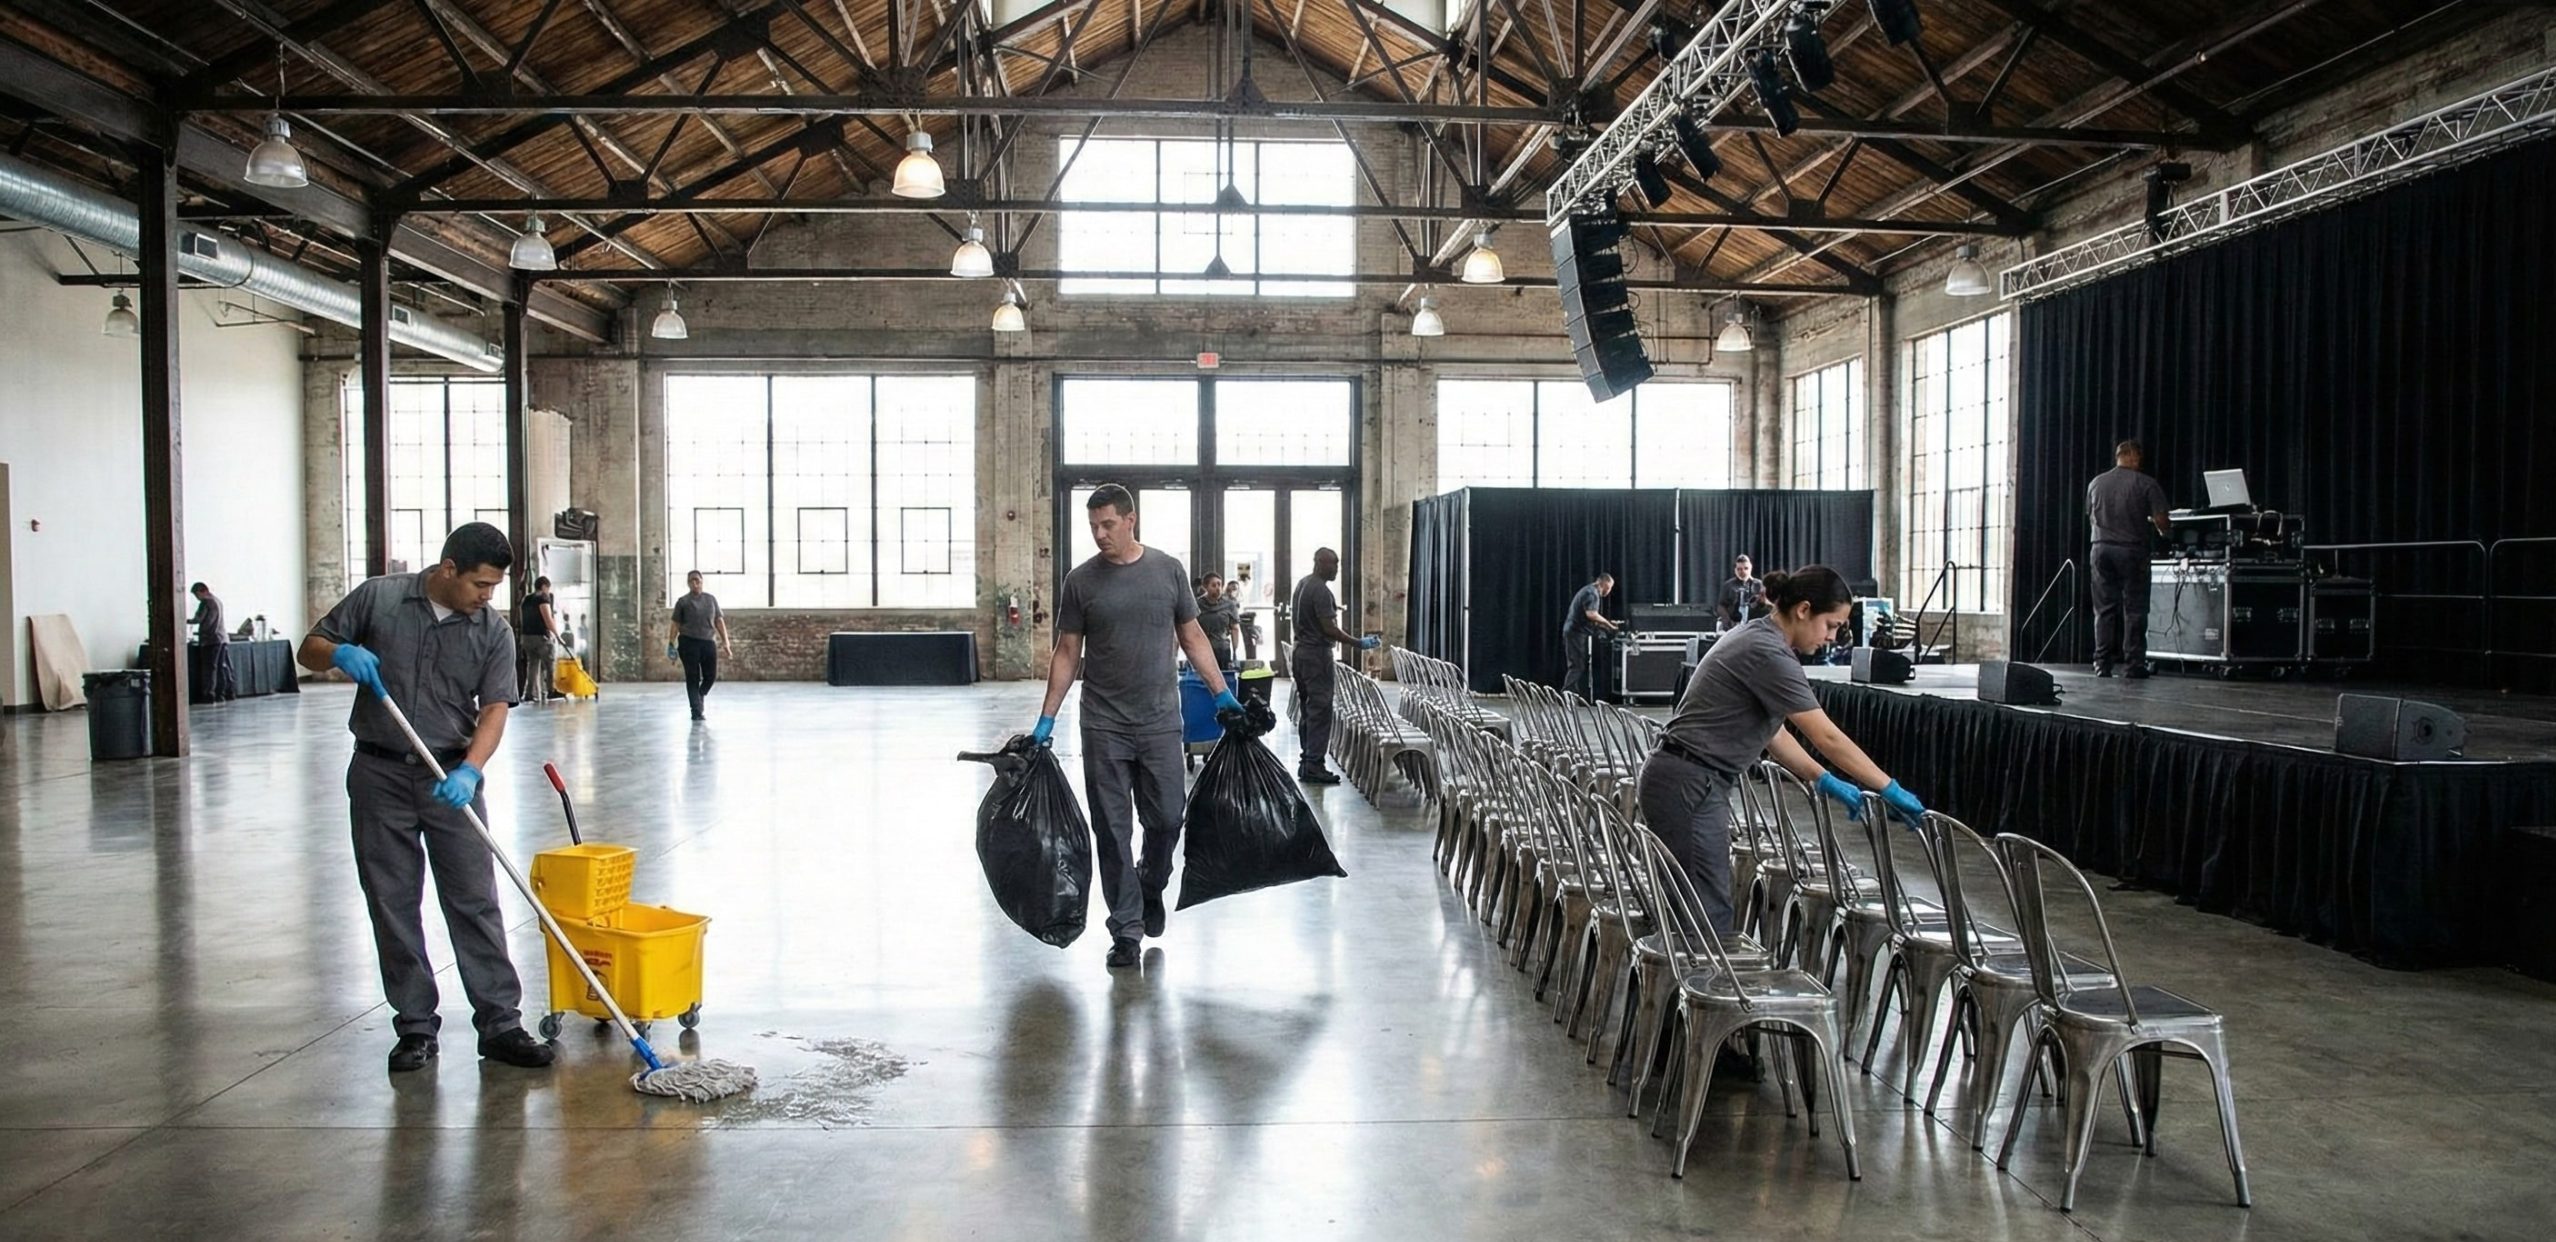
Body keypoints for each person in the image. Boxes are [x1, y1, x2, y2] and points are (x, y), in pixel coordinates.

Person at [296, 522, 553, 1074]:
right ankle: (414, 1027)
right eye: (480, 584)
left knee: (474, 898)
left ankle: (500, 1023)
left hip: (449, 774)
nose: (488, 596)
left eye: (495, 587)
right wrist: (340, 652)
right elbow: (309, 650)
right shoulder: (379, 598)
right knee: (392, 900)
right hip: (379, 772)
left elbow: (495, 709)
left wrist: (471, 770)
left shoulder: (492, 631)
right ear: (447, 569)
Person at [1638, 564, 1928, 937]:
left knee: (1696, 911)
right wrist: (1889, 787)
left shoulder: (1758, 637)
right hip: (1691, 784)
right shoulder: (1767, 652)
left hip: (1685, 779)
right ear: (1803, 610)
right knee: (1703, 923)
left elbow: (1774, 734)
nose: (1832, 637)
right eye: (1832, 625)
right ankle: (1697, 991)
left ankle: (1685, 988)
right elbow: (1827, 737)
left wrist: (1821, 778)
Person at [1037, 485, 1245, 971]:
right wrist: (1047, 718)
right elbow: (1068, 652)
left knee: (1169, 818)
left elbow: (1191, 636)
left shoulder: (1167, 570)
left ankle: (1150, 884)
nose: (1099, 534)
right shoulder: (1080, 582)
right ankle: (1126, 929)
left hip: (1158, 723)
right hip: (1103, 725)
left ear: (1131, 520)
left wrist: (1223, 696)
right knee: (1111, 830)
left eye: (1107, 524)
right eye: (1092, 526)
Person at [1288, 548, 1382, 787]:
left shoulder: (1303, 584)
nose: (1336, 569)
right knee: (1320, 710)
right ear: (1319, 562)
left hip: (1300, 652)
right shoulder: (1320, 589)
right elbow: (1328, 628)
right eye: (1333, 564)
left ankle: (1306, 759)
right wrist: (1357, 643)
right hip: (1316, 655)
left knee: (1308, 709)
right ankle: (1314, 764)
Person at [2087, 439, 2172, 679]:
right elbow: (2161, 520)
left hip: (2100, 549)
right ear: (2133, 455)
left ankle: (2101, 664)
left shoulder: (2096, 483)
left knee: (2103, 609)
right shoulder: (2146, 483)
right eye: (2139, 457)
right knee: (2134, 609)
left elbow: (2091, 516)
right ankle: (2133, 664)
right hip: (2132, 551)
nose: (2140, 462)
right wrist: (2167, 533)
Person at [667, 570, 735, 721]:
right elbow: (675, 623)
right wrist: (671, 643)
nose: (694, 583)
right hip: (688, 643)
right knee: (692, 677)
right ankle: (696, 711)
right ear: (688, 583)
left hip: (707, 642)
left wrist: (726, 642)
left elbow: (719, 621)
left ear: (702, 581)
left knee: (710, 676)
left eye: (697, 580)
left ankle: (700, 694)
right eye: (691, 581)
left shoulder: (711, 600)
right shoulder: (682, 602)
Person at [1561, 572, 1621, 700]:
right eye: (1609, 587)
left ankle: (1573, 695)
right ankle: (1567, 694)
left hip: (1574, 631)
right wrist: (1609, 626)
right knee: (1577, 665)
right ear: (1603, 583)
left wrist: (1606, 625)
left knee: (1577, 664)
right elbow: (1592, 615)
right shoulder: (1592, 593)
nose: (1609, 591)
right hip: (1575, 633)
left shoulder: (1588, 590)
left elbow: (1590, 619)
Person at [516, 575, 561, 705]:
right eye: (547, 588)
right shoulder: (542, 597)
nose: (548, 591)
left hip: (526, 637)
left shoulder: (526, 599)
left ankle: (529, 694)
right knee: (550, 664)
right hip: (540, 637)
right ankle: (551, 690)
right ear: (544, 586)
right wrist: (557, 635)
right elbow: (547, 618)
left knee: (532, 665)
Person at [189, 581, 235, 702]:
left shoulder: (205, 602)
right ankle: (223, 693)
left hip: (210, 639)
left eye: (196, 594)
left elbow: (199, 619)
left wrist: (184, 620)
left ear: (202, 591)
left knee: (210, 668)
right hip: (222, 638)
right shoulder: (217, 600)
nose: (196, 598)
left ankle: (209, 694)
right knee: (221, 667)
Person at [1195, 572, 1242, 673]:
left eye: (1219, 584)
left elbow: (1235, 629)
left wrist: (1235, 653)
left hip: (1222, 649)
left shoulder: (1229, 605)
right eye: (1213, 585)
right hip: (1203, 650)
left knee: (1223, 678)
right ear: (1205, 587)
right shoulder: (1197, 605)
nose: (1217, 588)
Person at [1714, 555, 1766, 630]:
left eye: (1746, 568)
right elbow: (1720, 606)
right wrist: (1727, 620)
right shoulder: (1728, 585)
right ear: (1735, 570)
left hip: (1754, 625)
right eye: (1739, 569)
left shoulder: (1759, 585)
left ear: (1751, 568)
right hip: (1733, 624)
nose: (1743, 572)